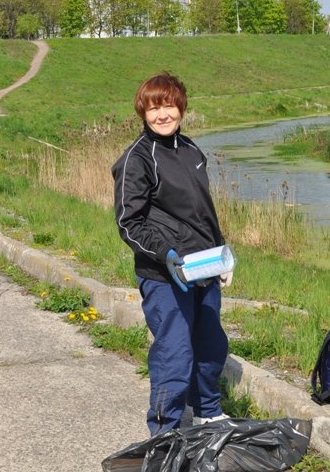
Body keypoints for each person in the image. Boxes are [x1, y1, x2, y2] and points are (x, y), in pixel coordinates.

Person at [111, 71, 234, 436]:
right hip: (165, 275)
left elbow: (203, 210)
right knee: (175, 354)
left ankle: (207, 412)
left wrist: (222, 253)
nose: (162, 115)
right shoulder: (137, 159)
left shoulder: (192, 150)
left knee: (211, 345)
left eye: (168, 106)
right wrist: (165, 254)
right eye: (153, 108)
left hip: (203, 267)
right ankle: (164, 431)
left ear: (181, 107)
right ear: (142, 113)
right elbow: (128, 221)